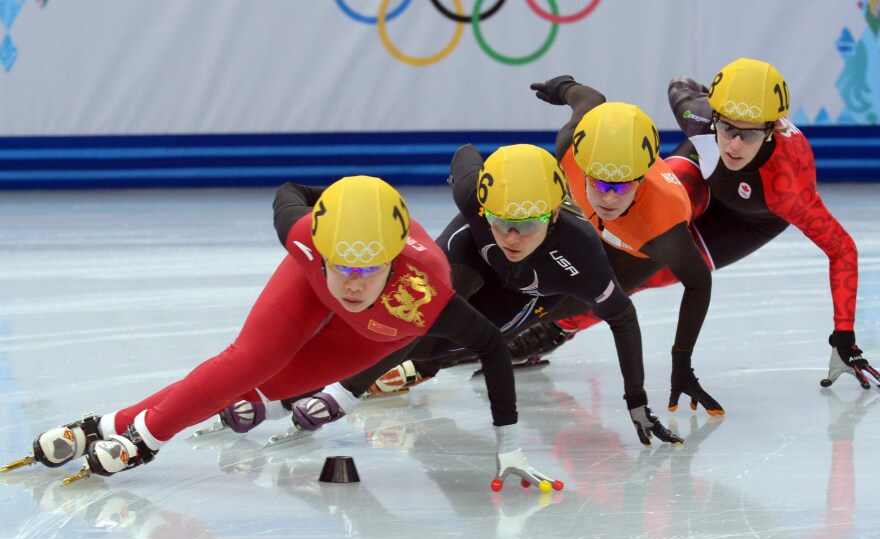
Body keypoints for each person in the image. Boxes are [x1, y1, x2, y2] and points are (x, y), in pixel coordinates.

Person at [4, 176, 558, 490]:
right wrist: (328, 203)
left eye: (370, 268)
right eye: (342, 264)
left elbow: (491, 345)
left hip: (381, 331)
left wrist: (508, 446)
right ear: (319, 246)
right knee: (247, 362)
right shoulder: (302, 238)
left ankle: (107, 426)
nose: (354, 283)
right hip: (304, 281)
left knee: (263, 391)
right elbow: (289, 191)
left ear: (396, 261)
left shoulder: (427, 294)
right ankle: (141, 439)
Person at [223, 143, 682, 449]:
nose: (511, 236)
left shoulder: (581, 254)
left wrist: (636, 403)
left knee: (444, 346)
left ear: (554, 218)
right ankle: (310, 393)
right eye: (499, 221)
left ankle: (376, 376)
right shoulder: (473, 198)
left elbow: (623, 319)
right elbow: (465, 154)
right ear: (482, 202)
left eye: (526, 225)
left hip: (526, 291)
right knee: (403, 320)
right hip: (464, 257)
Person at [522, 58, 880, 393]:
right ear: (716, 115)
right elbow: (680, 83)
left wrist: (844, 335)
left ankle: (557, 326)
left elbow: (842, 248)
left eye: (750, 134)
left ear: (771, 130)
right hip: (698, 175)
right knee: (649, 221)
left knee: (656, 267)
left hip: (749, 220)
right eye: (727, 128)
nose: (735, 144)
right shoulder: (699, 114)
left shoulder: (789, 185)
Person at [525, 79, 720, 415]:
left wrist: (682, 363)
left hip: (637, 248)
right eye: (599, 182)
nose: (609, 196)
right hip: (602, 226)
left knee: (554, 306)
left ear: (642, 177)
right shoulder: (571, 146)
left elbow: (699, 283)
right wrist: (562, 87)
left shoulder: (664, 233)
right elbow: (590, 99)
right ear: (582, 166)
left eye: (622, 184)